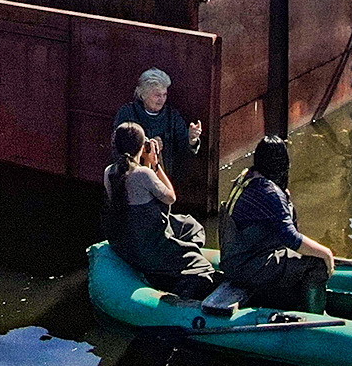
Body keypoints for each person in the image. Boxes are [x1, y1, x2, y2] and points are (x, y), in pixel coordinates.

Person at [102, 120, 218, 299]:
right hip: (150, 245)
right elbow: (170, 197)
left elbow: (138, 198)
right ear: (142, 147)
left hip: (127, 242)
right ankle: (175, 279)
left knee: (188, 225)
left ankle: (173, 261)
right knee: (205, 270)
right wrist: (155, 165)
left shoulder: (109, 172)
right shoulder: (144, 174)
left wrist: (145, 165)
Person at [217, 136, 333, 313]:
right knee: (316, 264)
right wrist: (326, 253)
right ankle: (314, 317)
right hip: (248, 264)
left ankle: (285, 299)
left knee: (298, 259)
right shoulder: (269, 192)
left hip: (236, 259)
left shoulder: (246, 177)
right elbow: (291, 238)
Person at [113, 69, 202, 179]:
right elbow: (120, 144)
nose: (162, 99)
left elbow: (184, 149)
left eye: (164, 95)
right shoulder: (128, 112)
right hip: (131, 176)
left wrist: (192, 139)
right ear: (143, 95)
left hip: (163, 177)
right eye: (157, 95)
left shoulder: (172, 116)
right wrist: (149, 146)